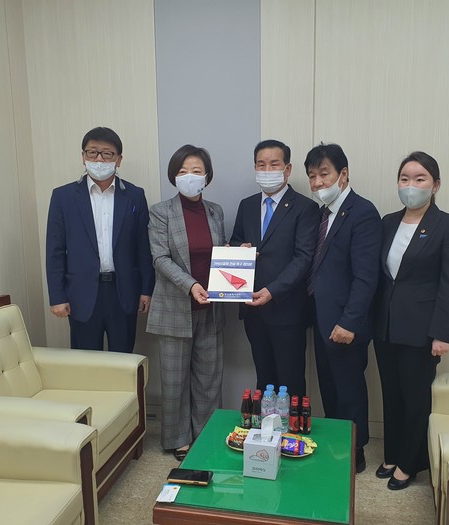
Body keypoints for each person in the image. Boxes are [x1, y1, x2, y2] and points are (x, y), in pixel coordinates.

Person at [373, 151, 449, 490]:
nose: (410, 185)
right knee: (391, 393)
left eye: (419, 178)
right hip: (385, 326)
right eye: (404, 179)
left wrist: (442, 333)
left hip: (422, 329)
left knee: (415, 398)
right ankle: (392, 453)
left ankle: (410, 463)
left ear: (435, 185)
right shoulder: (388, 222)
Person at [305, 143, 381, 474]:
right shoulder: (322, 213)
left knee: (349, 388)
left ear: (344, 174)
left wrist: (350, 321)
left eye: (324, 174)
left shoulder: (362, 212)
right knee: (329, 385)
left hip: (346, 321)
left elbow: (366, 276)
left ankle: (355, 449)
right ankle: (336, 441)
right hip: (321, 317)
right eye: (312, 176)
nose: (318, 183)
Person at [146, 145, 226, 461]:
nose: (189, 176)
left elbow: (217, 252)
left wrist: (238, 253)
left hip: (211, 307)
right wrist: (190, 285)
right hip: (175, 306)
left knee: (209, 377)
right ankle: (178, 438)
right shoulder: (161, 211)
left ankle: (205, 434)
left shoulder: (215, 211)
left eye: (196, 171)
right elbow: (160, 258)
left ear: (207, 176)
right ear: (173, 176)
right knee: (175, 379)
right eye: (182, 171)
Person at [46, 126, 154, 353]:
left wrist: (146, 289)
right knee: (86, 363)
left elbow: (143, 247)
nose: (99, 159)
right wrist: (57, 296)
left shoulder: (135, 195)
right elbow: (55, 251)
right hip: (81, 293)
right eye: (92, 152)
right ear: (83, 157)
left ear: (118, 160)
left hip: (123, 292)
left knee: (123, 360)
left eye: (107, 154)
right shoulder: (63, 197)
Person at [230, 139, 319, 397]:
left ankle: (292, 424)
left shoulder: (305, 207)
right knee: (264, 378)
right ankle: (266, 423)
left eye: (274, 164)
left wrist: (272, 291)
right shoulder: (247, 205)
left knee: (290, 381)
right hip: (252, 309)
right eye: (261, 165)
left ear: (287, 169)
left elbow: (303, 258)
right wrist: (239, 248)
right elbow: (235, 242)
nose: (267, 170)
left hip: (286, 309)